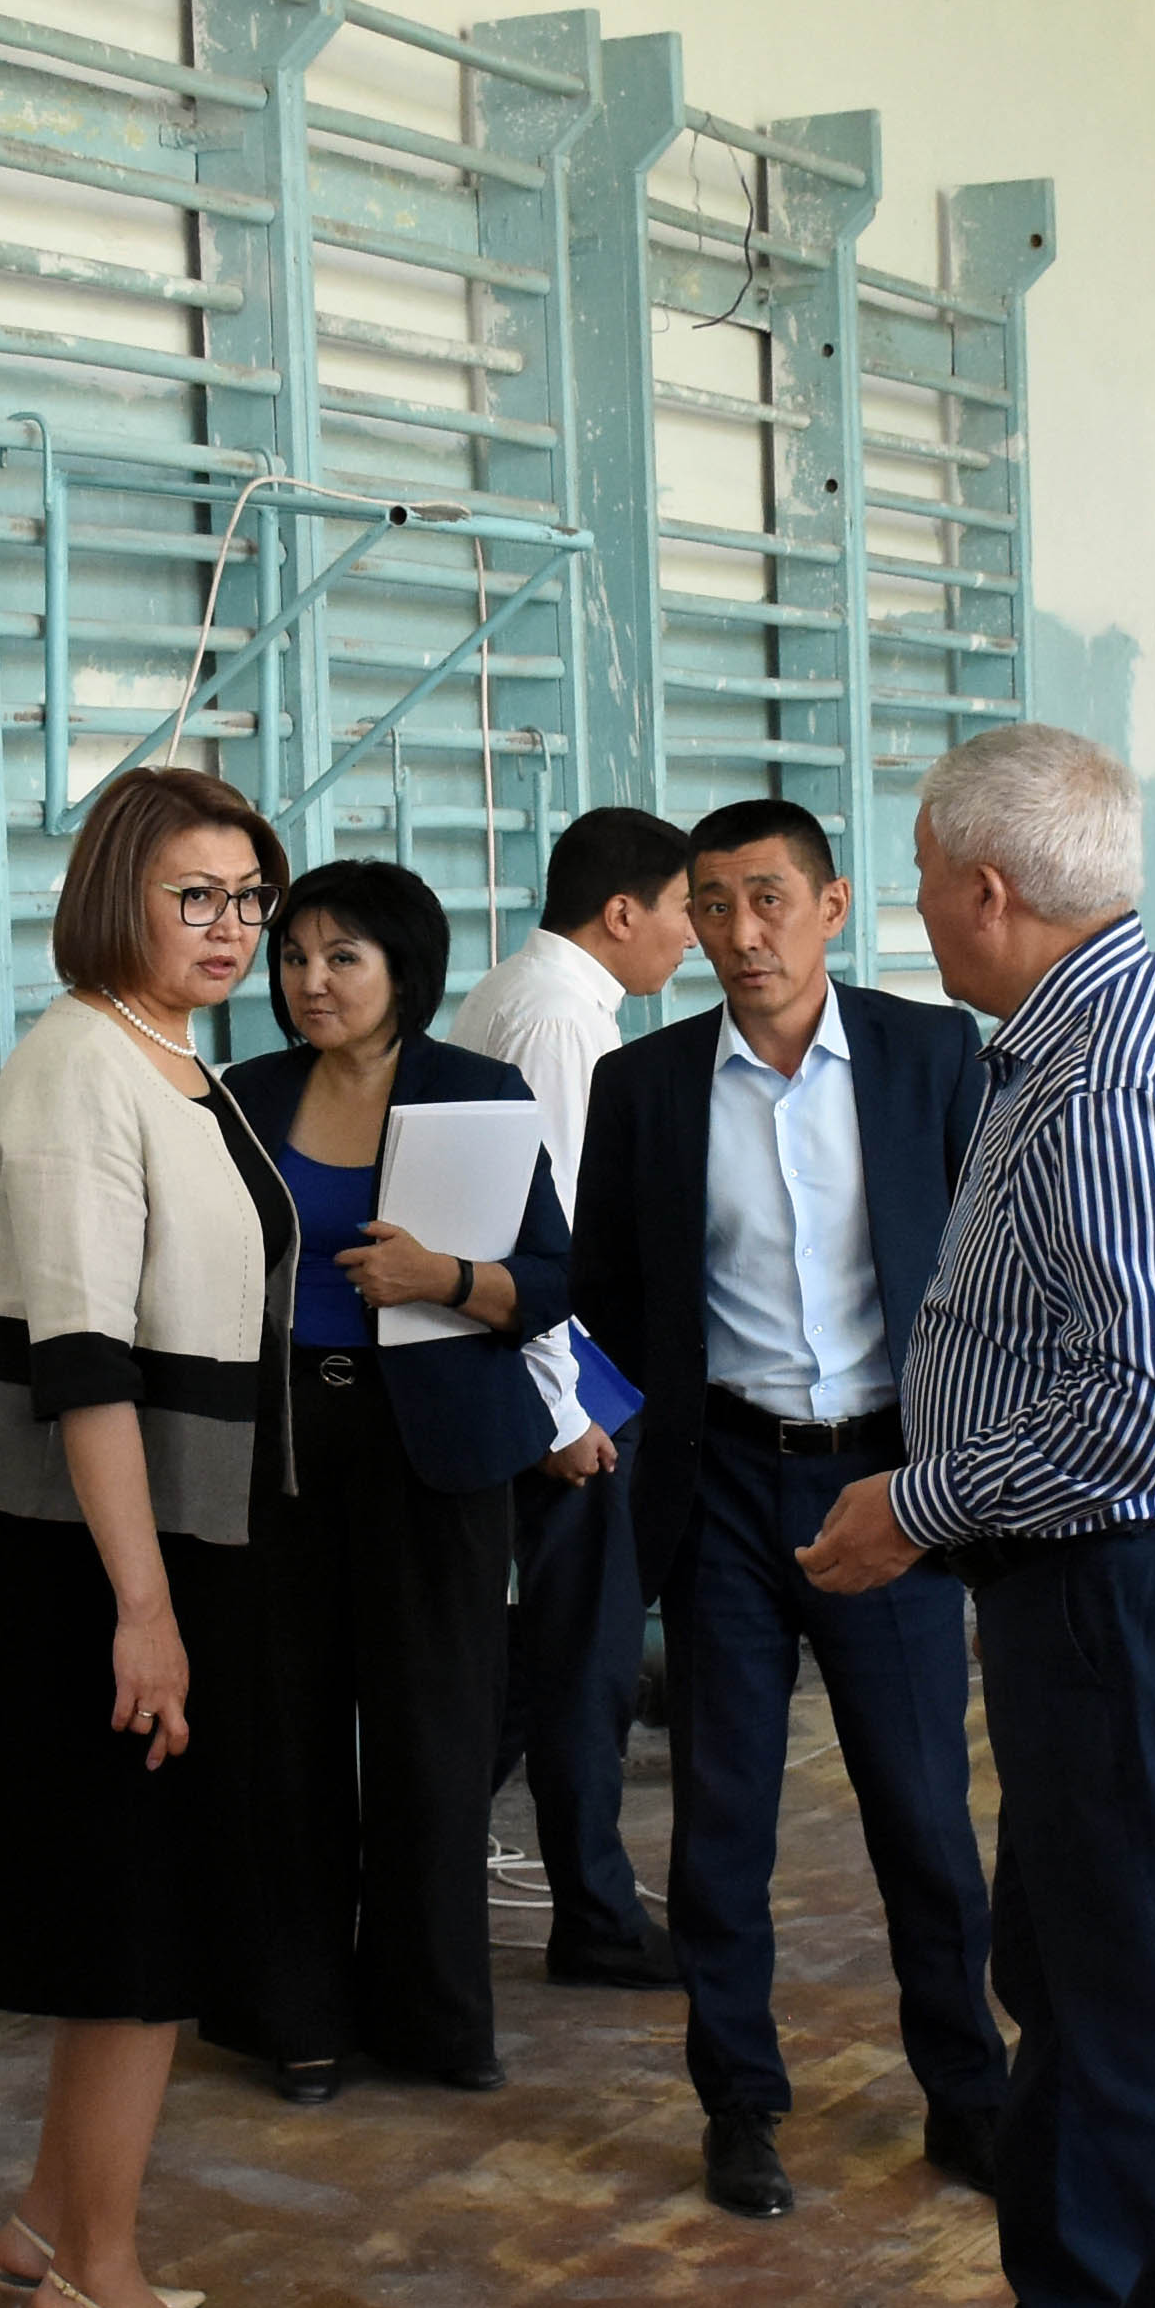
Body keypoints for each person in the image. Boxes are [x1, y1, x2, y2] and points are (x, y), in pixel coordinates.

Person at [819, 727, 1155, 2308]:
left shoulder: (1099, 1079)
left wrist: (919, 1503)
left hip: (1135, 1584)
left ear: (988, 888)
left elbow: (1147, 1405)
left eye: (922, 882)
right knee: (1077, 1969)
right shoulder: (1124, 1017)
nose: (921, 915)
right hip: (1114, 1584)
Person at [0, 762, 299, 2308]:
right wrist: (145, 1608)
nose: (231, 926)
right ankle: (98, 2278)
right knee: (141, 1923)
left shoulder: (171, 1057)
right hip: (110, 1553)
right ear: (113, 897)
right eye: (193, 896)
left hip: (180, 1534)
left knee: (134, 1902)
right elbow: (85, 1362)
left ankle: (48, 2221)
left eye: (249, 898)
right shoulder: (81, 1066)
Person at [571, 796, 1000, 2221]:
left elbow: (989, 1265)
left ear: (831, 906)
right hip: (726, 1489)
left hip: (889, 1480)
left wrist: (956, 1478)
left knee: (923, 1814)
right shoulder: (644, 1088)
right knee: (723, 1823)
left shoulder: (931, 1055)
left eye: (768, 899)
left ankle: (968, 2094)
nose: (741, 933)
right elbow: (607, 1293)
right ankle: (740, 2104)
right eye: (713, 905)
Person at [216, 861, 575, 2099]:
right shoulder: (244, 1097)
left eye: (342, 958)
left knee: (436, 1736)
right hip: (280, 1443)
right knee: (287, 1734)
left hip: (433, 1448)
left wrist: (448, 1280)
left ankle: (434, 2020)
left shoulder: (478, 1092)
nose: (310, 982)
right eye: (294, 958)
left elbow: (553, 1278)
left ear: (403, 970)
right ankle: (300, 2018)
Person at [444, 805, 694, 1993]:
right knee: (584, 1660)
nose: (696, 937)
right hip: (559, 1387)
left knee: (532, 1659)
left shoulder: (534, 995)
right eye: (687, 909)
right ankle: (594, 1915)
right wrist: (563, 1414)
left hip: (545, 1376)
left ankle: (409, 1868)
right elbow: (538, 1243)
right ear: (623, 911)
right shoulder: (558, 1021)